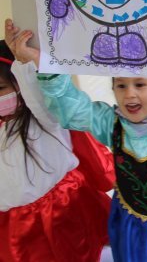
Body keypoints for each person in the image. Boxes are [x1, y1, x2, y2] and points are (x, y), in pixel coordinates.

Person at [9, 22, 147, 261]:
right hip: (135, 226)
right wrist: (43, 63)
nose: (129, 94)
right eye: (120, 85)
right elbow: (72, 109)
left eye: (140, 84)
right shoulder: (110, 123)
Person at [0, 22, 113, 262]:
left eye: (1, 88)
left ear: (18, 86)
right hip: (17, 228)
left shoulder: (44, 116)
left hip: (63, 209)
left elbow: (39, 94)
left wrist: (22, 61)